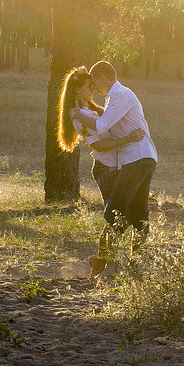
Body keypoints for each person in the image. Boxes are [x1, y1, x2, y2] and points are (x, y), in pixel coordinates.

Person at [72, 60, 157, 279]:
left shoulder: (120, 95)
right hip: (138, 158)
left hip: (137, 158)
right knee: (138, 215)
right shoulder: (113, 98)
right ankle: (132, 267)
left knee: (115, 212)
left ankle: (108, 265)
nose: (95, 90)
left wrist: (76, 114)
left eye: (95, 84)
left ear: (103, 78)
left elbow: (101, 126)